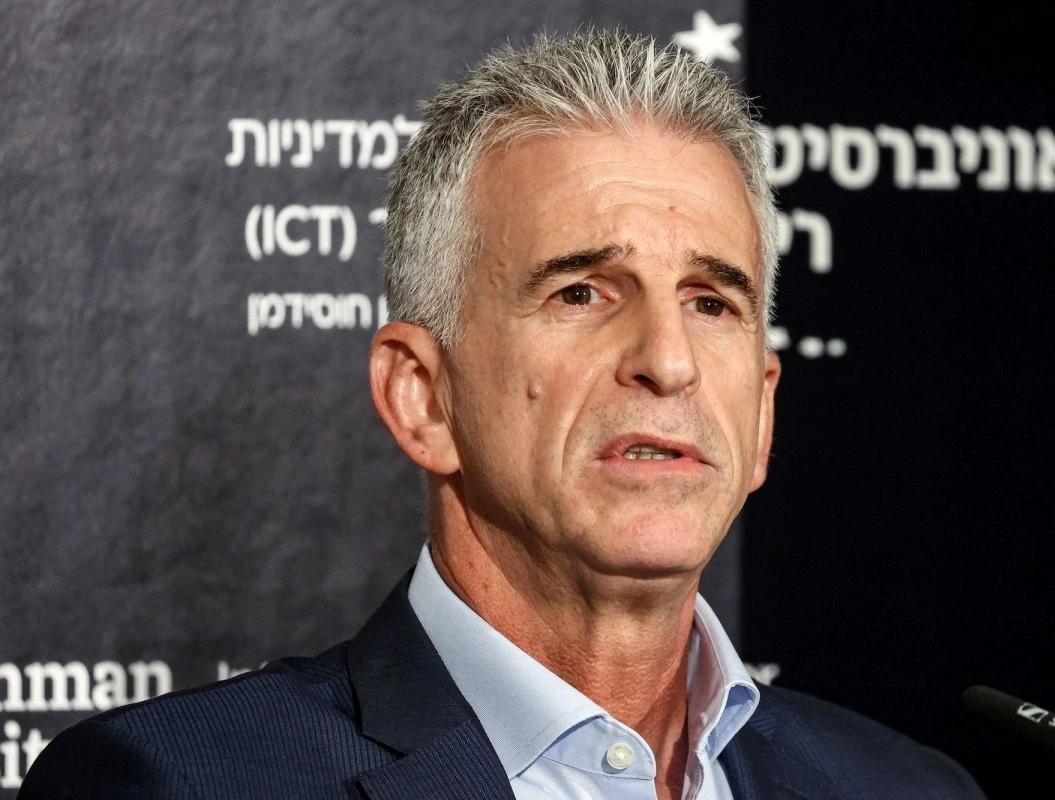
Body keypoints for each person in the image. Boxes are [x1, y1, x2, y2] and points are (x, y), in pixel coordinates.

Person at [20, 30, 984, 800]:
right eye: (581, 292)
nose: (668, 361)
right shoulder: (179, 783)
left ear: (762, 414)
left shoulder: (910, 788)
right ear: (422, 396)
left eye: (711, 301)